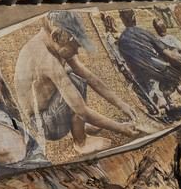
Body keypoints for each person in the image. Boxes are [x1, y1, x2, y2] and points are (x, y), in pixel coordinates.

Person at [14, 13, 147, 155]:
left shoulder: (53, 43)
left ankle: (77, 125)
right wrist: (120, 128)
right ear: (57, 37)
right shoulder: (46, 59)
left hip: (48, 110)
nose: (77, 50)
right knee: (74, 82)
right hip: (43, 124)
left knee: (76, 75)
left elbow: (90, 77)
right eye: (75, 45)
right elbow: (82, 110)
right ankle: (81, 142)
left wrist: (121, 104)